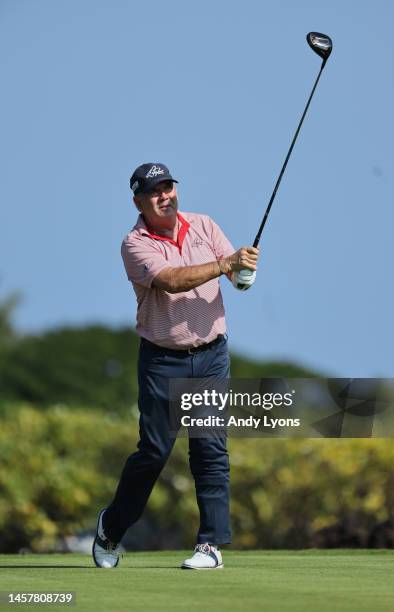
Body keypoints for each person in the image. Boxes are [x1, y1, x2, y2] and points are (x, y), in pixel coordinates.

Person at [92, 162, 259, 569]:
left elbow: (238, 276)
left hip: (211, 355)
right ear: (139, 201)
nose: (164, 195)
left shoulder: (203, 224)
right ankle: (111, 529)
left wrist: (244, 271)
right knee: (153, 452)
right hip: (162, 360)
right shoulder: (135, 244)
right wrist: (226, 265)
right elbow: (171, 281)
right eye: (154, 192)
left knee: (210, 448)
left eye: (168, 187)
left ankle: (211, 546)